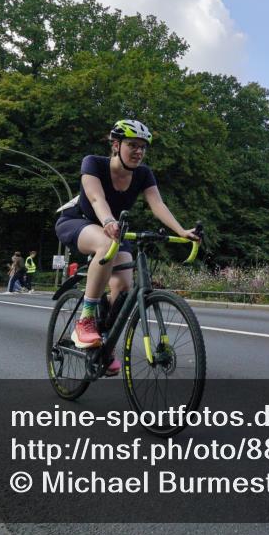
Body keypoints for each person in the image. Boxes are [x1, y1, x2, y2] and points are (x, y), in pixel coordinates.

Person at [54, 119, 199, 376]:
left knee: (124, 286)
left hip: (114, 230)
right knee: (107, 242)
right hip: (79, 221)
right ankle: (85, 320)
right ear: (116, 145)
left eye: (143, 147)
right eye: (132, 145)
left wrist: (181, 231)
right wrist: (109, 220)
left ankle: (103, 344)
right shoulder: (93, 163)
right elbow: (97, 198)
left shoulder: (143, 174)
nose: (138, 151)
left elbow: (158, 205)